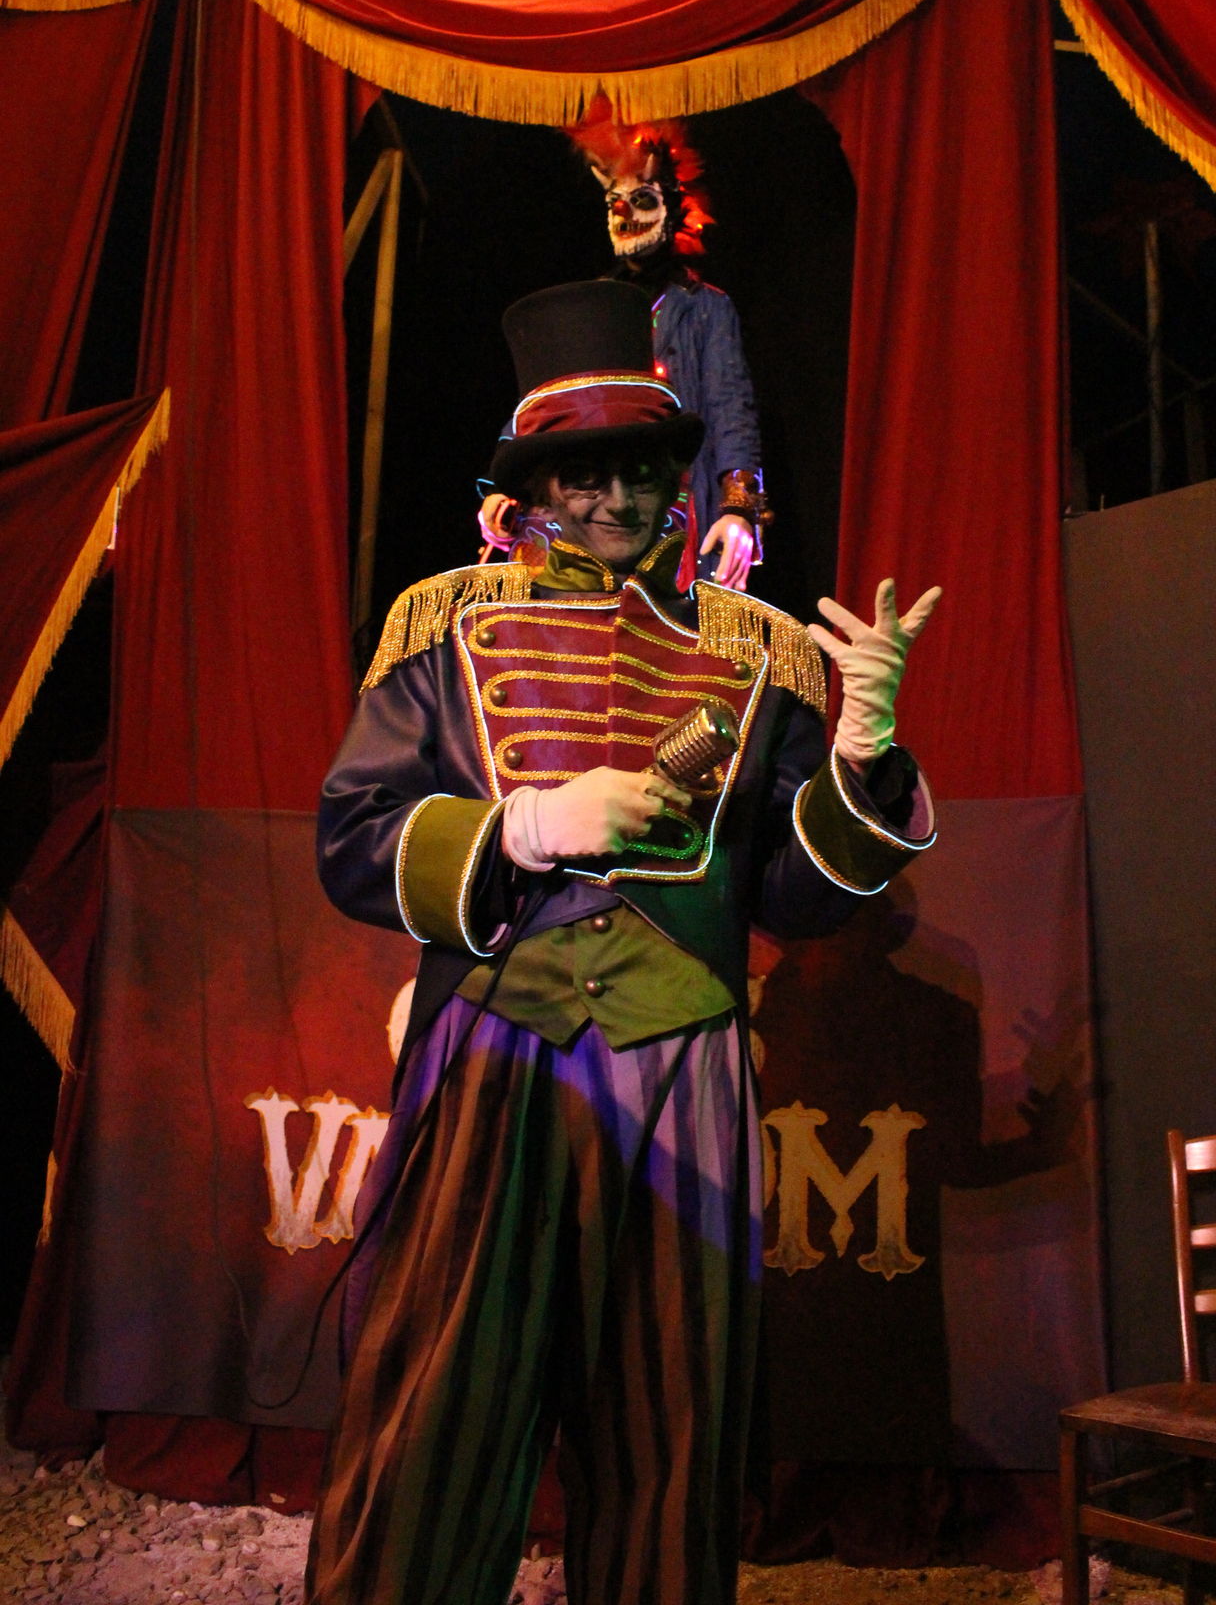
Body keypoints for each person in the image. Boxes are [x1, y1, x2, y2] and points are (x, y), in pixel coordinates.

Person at [306, 280, 941, 1605]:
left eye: (640, 469)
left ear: (675, 479)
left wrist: (863, 756)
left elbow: (795, 896)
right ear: (534, 492)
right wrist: (526, 827)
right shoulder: (444, 637)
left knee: (671, 1419)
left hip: (681, 1069)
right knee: (436, 1399)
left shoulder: (759, 661)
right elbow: (353, 840)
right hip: (494, 1056)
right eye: (580, 474)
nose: (612, 499)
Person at [479, 106, 766, 590]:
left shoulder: (704, 307)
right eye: (615, 200)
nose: (623, 212)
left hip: (667, 501)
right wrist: (501, 487)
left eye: (642, 199)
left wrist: (738, 510)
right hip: (583, 504)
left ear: (674, 209)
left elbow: (730, 410)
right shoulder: (596, 304)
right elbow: (547, 399)